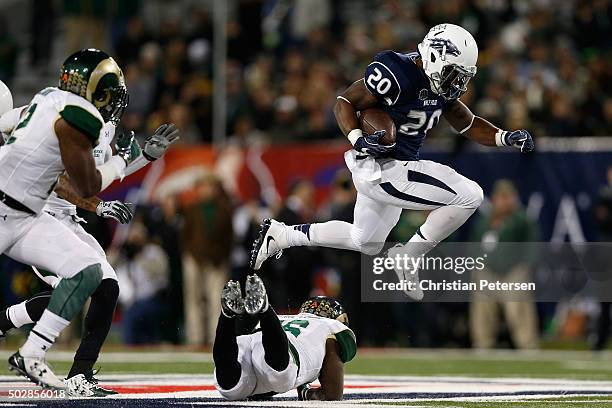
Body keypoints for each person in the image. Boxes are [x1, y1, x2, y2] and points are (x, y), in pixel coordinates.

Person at [251, 24, 534, 300]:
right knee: (470, 195)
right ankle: (408, 257)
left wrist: (505, 137)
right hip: (384, 168)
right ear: (434, 56)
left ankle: (284, 234)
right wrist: (358, 139)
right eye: (453, 73)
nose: (457, 83)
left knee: (367, 241)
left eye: (461, 76)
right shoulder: (398, 73)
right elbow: (344, 102)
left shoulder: (439, 86)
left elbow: (468, 124)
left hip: (389, 171)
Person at [0, 66, 178, 395]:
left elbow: (96, 173)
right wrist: (99, 204)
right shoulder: (55, 114)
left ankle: (69, 368)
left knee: (99, 283)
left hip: (48, 217)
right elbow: (66, 182)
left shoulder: (93, 125)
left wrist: (144, 158)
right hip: (41, 212)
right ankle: (11, 324)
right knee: (87, 285)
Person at [213, 274, 356, 401]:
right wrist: (307, 393)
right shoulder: (330, 326)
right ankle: (264, 308)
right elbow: (332, 394)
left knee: (230, 386)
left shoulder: (285, 318)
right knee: (278, 374)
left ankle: (228, 316)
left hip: (250, 340)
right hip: (281, 356)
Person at [469, 180, 539, 349]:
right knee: (483, 312)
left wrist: (525, 266)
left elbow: (532, 245)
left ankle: (527, 345)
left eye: (508, 197)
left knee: (518, 311)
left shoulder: (522, 220)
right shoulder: (485, 221)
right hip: (488, 272)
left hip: (513, 272)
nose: (505, 202)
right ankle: (482, 345)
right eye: (501, 197)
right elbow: (475, 245)